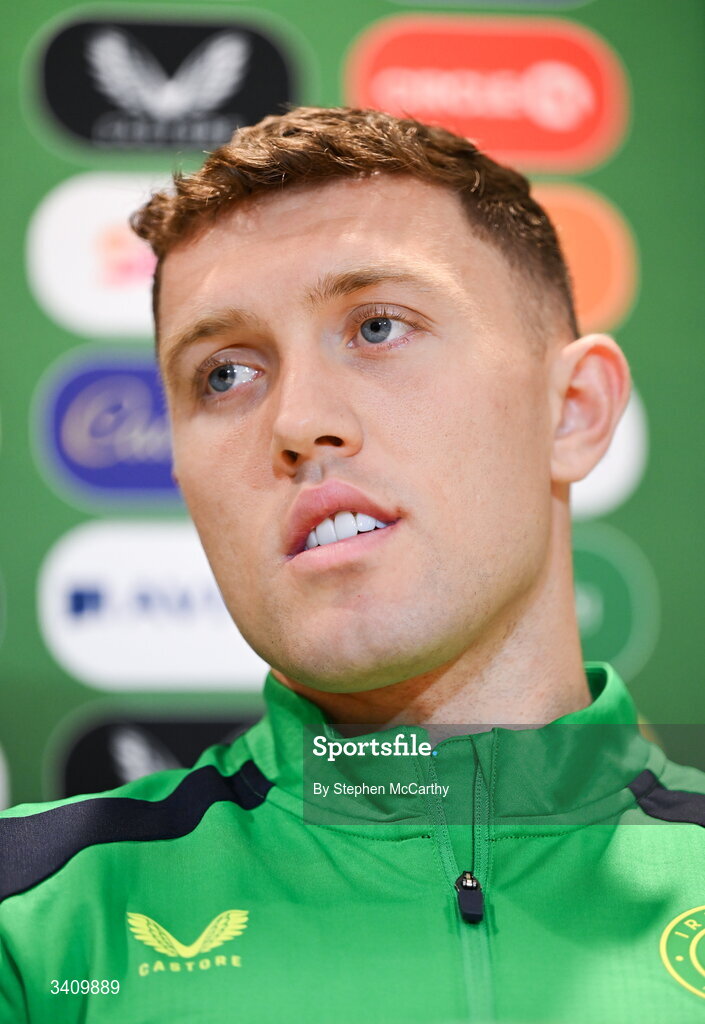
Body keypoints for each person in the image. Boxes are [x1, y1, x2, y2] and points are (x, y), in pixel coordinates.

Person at [1, 106, 704, 1024]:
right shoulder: (33, 923)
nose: (296, 422)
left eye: (377, 327)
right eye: (224, 373)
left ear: (570, 411)